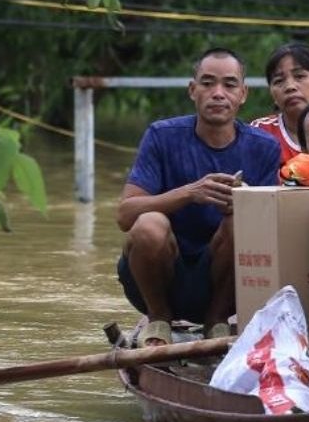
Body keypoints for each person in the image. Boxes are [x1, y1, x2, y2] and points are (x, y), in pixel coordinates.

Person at [117, 48, 282, 347]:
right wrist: (191, 193)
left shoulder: (265, 147)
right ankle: (159, 319)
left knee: (243, 224)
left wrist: (244, 205)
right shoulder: (161, 135)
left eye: (229, 85)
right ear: (193, 91)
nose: (218, 93)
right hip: (159, 277)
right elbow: (125, 215)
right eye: (207, 83)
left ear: (243, 94)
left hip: (224, 286)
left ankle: (216, 321)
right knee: (149, 225)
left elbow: (272, 227)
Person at [250, 42, 309, 165]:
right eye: (279, 81)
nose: (290, 87)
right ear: (272, 93)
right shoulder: (259, 133)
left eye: (299, 76)